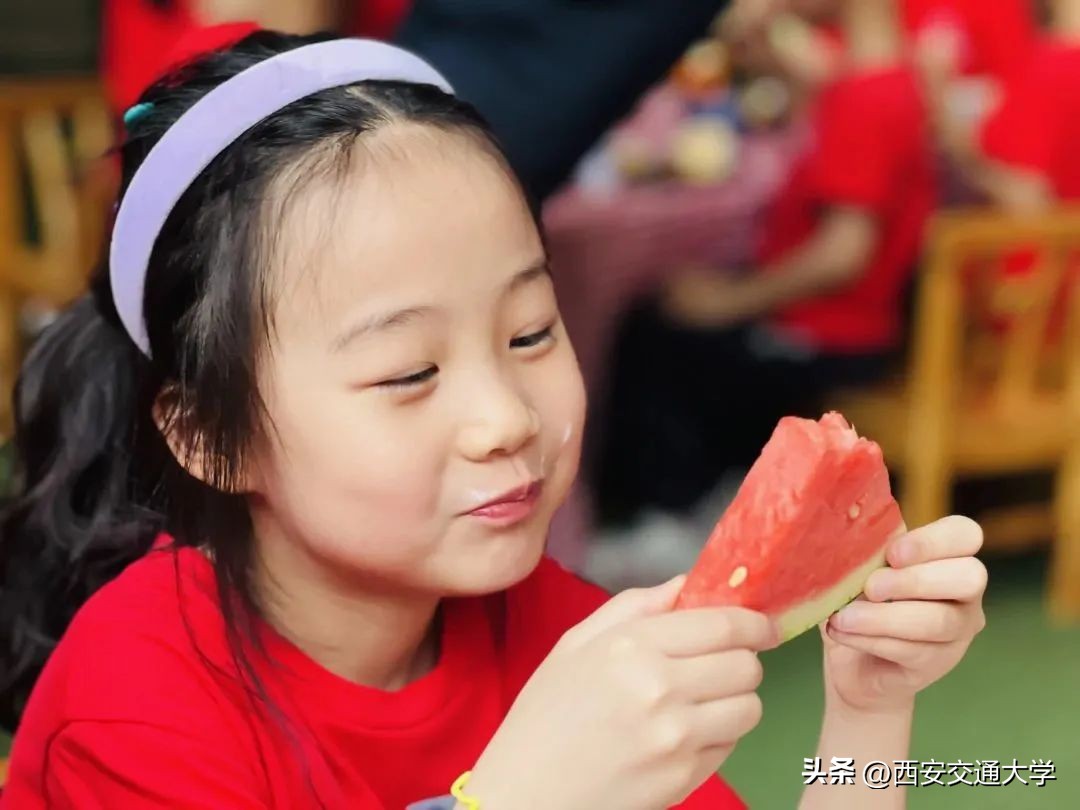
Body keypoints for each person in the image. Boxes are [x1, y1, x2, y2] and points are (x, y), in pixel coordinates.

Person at [0, 30, 986, 809]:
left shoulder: (559, 629)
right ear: (207, 434)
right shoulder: (136, 703)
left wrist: (866, 713)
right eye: (410, 371)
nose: (504, 419)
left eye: (529, 332)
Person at [593, 0, 935, 528]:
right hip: (852, 327)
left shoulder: (868, 94)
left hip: (827, 338)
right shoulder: (881, 78)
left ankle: (674, 516)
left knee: (657, 334)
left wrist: (726, 303)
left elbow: (843, 253)